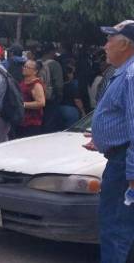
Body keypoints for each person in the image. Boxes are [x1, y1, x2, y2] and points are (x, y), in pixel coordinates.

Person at [89, 20, 134, 263]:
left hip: (123, 165)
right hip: (119, 156)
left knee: (116, 230)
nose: (105, 45)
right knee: (121, 229)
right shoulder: (125, 72)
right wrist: (103, 137)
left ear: (125, 44)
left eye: (110, 40)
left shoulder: (132, 74)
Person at [15, 59, 46, 138]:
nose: (24, 68)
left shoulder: (36, 85)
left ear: (35, 71)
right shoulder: (23, 82)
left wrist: (23, 104)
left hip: (31, 124)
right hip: (21, 122)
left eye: (27, 67)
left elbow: (41, 103)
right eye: (24, 66)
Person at [39, 43, 64, 133]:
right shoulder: (55, 64)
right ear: (51, 52)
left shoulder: (37, 63)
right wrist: (59, 97)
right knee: (50, 125)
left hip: (37, 98)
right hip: (50, 99)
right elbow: (59, 85)